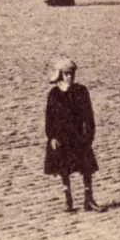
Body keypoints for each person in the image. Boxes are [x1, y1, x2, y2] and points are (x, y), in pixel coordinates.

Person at [44, 57, 103, 212]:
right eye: (67, 74)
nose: (70, 77)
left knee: (86, 168)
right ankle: (68, 200)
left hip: (78, 136)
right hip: (62, 138)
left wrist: (88, 137)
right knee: (64, 168)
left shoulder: (81, 91)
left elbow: (89, 117)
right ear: (60, 75)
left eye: (72, 74)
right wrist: (52, 137)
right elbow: (49, 118)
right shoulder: (54, 94)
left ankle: (88, 199)